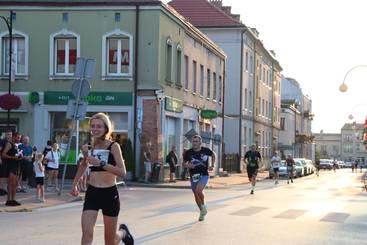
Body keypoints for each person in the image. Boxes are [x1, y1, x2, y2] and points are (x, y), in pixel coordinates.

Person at [70, 112, 134, 245]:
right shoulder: (89, 146)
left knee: (109, 242)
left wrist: (100, 163)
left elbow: (122, 172)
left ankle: (123, 233)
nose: (95, 129)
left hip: (109, 194)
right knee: (86, 235)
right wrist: (74, 184)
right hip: (92, 193)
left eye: (98, 126)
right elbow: (83, 165)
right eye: (92, 126)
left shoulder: (113, 146)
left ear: (106, 128)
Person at [183, 135, 215, 222]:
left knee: (198, 191)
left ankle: (203, 208)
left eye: (196, 141)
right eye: (193, 141)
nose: (194, 143)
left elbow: (213, 155)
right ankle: (202, 211)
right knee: (196, 193)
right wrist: (188, 165)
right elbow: (184, 163)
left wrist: (212, 165)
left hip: (204, 174)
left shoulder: (205, 150)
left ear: (200, 142)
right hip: (193, 175)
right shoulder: (188, 152)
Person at [2, 131, 23, 206]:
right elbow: (3, 154)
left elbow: (16, 155)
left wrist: (20, 156)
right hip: (10, 166)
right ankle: (8, 200)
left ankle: (13, 200)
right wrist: (13, 157)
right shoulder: (9, 144)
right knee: (10, 184)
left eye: (20, 138)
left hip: (16, 166)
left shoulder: (16, 145)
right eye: (18, 137)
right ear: (13, 137)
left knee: (15, 184)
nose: (19, 139)